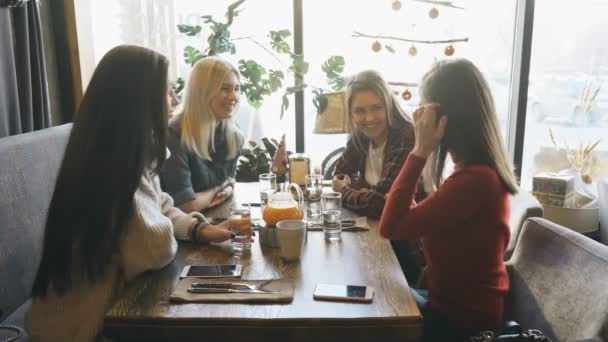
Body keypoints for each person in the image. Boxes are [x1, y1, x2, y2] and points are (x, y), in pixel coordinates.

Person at [26, 45, 235, 342]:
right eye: (166, 92)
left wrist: (200, 230)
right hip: (79, 330)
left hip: (103, 314)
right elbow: (154, 249)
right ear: (139, 101)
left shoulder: (126, 152)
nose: (174, 100)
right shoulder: (111, 167)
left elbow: (162, 205)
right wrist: (172, 227)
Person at [379, 59, 519, 340]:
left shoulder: (475, 181)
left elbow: (391, 227)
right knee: (374, 291)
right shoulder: (474, 174)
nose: (417, 117)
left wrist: (419, 151)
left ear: (446, 116)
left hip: (461, 325)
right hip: (453, 308)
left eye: (424, 107)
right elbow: (416, 221)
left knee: (370, 308)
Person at [331, 70, 425, 284]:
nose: (369, 118)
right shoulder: (362, 136)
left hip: (406, 249)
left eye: (376, 108)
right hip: (374, 235)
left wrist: (347, 191)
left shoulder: (407, 136)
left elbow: (380, 205)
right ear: (352, 114)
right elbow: (340, 173)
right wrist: (360, 191)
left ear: (389, 105)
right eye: (360, 111)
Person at [160, 56, 244, 213]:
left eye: (237, 88)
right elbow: (185, 206)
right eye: (225, 88)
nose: (234, 97)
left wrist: (223, 190)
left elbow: (230, 184)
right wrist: (218, 190)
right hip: (182, 231)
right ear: (202, 92)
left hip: (220, 220)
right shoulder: (173, 135)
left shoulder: (234, 136)